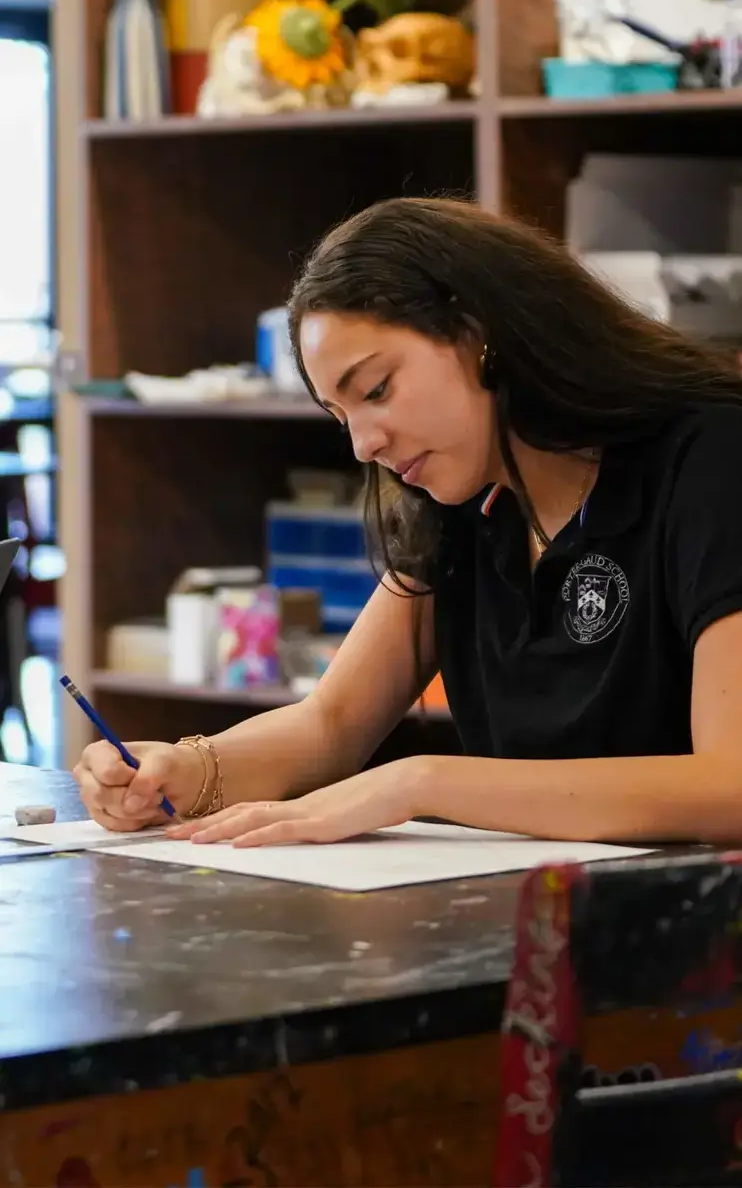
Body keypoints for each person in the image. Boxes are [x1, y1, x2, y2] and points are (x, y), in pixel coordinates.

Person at [76, 196, 742, 847]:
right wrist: (188, 769)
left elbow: (730, 786)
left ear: (481, 334)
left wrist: (419, 784)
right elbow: (330, 722)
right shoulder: (461, 507)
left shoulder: (711, 458)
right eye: (342, 418)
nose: (364, 445)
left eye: (376, 390)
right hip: (540, 923)